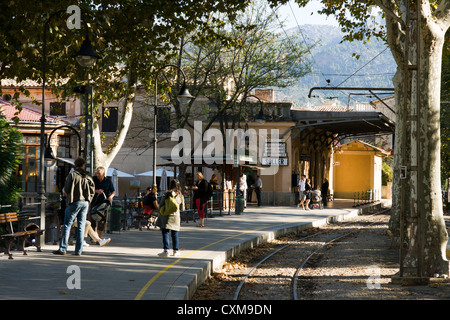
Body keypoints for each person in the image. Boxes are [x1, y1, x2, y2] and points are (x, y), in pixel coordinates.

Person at [53, 157, 95, 256]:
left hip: (74, 202)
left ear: (75, 165)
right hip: (85, 203)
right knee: (81, 226)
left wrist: (65, 192)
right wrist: (88, 200)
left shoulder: (72, 175)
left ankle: (63, 249)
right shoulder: (88, 176)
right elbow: (93, 190)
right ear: (83, 165)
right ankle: (78, 251)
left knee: (67, 225)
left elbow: (66, 189)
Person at [156, 179, 184, 257]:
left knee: (165, 232)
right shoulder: (180, 195)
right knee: (175, 234)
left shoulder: (167, 194)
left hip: (166, 216)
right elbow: (183, 208)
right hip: (176, 216)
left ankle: (166, 251)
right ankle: (176, 250)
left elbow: (161, 204)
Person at [90, 166, 115, 239]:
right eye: (97, 173)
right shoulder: (93, 179)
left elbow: (113, 191)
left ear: (103, 173)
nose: (97, 174)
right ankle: (95, 237)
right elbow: (89, 189)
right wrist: (97, 191)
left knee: (102, 221)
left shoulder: (108, 181)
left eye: (99, 173)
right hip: (94, 202)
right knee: (92, 220)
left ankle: (99, 238)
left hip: (104, 204)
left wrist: (111, 197)